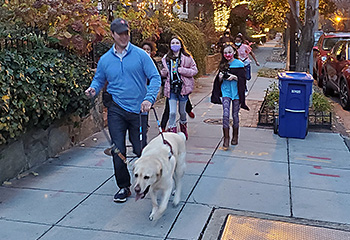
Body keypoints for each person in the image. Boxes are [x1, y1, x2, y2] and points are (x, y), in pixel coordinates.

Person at [85, 18, 161, 203]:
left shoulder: (141, 55)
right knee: (118, 150)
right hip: (116, 110)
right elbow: (99, 79)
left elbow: (155, 77)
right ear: (113, 35)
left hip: (139, 111)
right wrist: (93, 89)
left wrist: (148, 99)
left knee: (140, 150)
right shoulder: (105, 60)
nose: (124, 36)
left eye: (126, 33)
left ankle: (147, 182)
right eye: (120, 33)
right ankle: (124, 187)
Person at [211, 44, 248, 149]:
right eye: (225, 52)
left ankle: (235, 136)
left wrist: (235, 77)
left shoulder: (239, 64)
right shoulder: (223, 64)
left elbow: (244, 79)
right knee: (225, 114)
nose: (228, 54)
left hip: (236, 93)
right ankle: (226, 138)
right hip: (226, 92)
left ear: (234, 52)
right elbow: (217, 82)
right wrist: (220, 77)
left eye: (230, 52)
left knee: (235, 115)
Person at [160, 35, 198, 139]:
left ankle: (183, 128)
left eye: (177, 43)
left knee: (182, 112)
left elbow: (195, 70)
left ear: (181, 45)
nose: (175, 45)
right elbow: (164, 72)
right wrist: (164, 72)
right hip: (171, 88)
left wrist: (183, 70)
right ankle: (172, 132)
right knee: (172, 112)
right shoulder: (166, 59)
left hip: (183, 88)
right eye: (173, 43)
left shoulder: (187, 57)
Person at [140, 40, 161, 148]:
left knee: (144, 116)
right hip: (138, 93)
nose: (146, 52)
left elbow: (156, 77)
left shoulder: (152, 63)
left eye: (148, 50)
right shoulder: (137, 61)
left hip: (147, 93)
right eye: (144, 49)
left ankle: (143, 142)